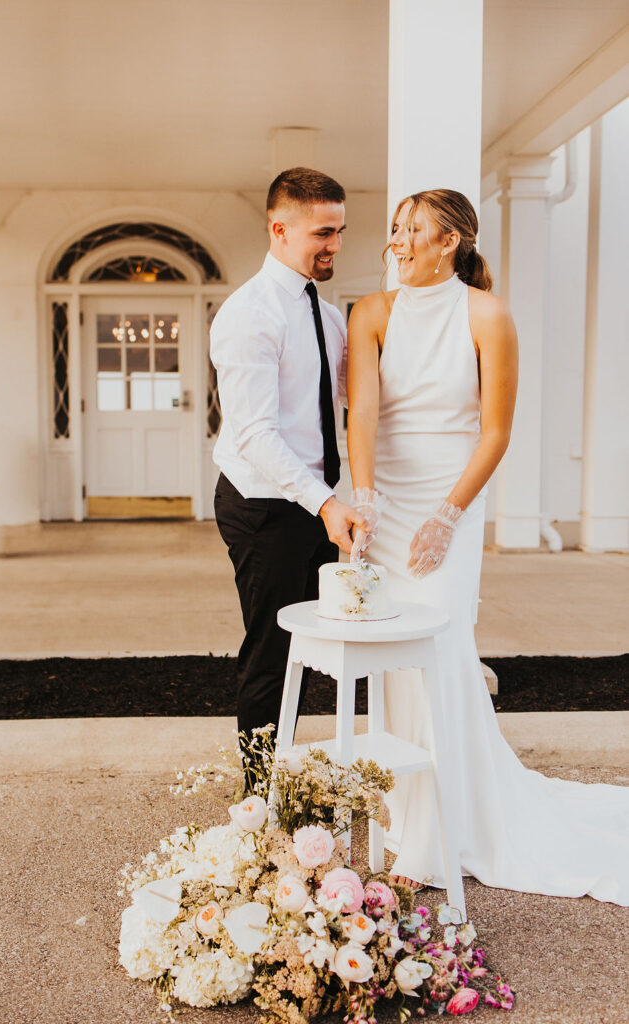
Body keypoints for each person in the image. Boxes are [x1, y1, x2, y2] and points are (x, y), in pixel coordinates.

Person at [346, 188, 629, 905]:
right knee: (389, 666)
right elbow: (364, 416)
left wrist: (446, 516)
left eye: (413, 230)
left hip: (450, 501)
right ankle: (409, 804)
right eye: (394, 230)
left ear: (451, 241)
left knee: (439, 656)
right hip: (386, 507)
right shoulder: (370, 313)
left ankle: (434, 836)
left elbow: (495, 431)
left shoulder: (487, 314)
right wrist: (363, 496)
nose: (397, 242)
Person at [212, 167, 367, 780]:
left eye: (340, 231)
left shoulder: (327, 316)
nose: (334, 244)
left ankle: (286, 774)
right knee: (272, 649)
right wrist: (326, 504)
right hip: (266, 506)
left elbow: (347, 405)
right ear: (280, 229)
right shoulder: (250, 314)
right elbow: (254, 435)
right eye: (323, 233)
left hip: (312, 501)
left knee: (307, 647)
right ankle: (259, 797)